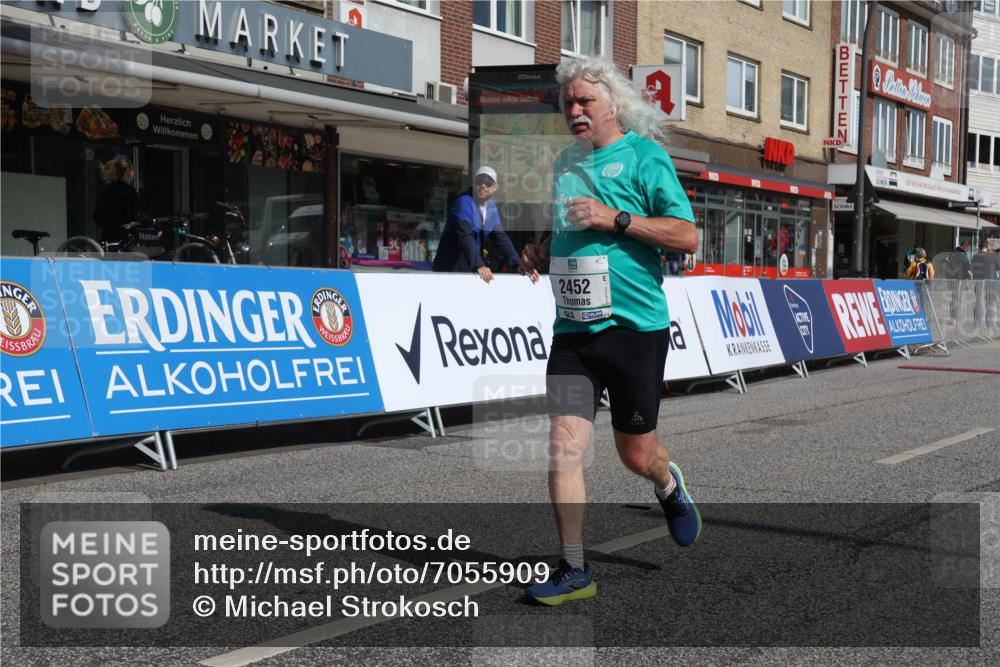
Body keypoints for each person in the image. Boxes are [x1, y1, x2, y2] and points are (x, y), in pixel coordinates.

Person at [517, 55, 701, 606]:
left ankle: (668, 485)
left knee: (634, 454)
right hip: (573, 331)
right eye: (567, 102)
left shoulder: (646, 157)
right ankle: (575, 570)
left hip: (633, 329)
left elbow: (687, 236)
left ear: (612, 104)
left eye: (584, 101)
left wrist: (614, 218)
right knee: (563, 445)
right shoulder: (564, 165)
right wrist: (541, 250)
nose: (573, 110)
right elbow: (565, 229)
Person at [432, 166, 520, 283]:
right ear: (474, 184)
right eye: (479, 181)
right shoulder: (464, 202)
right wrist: (479, 265)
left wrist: (518, 264)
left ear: (494, 188)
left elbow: (501, 238)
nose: (483, 185)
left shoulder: (491, 207)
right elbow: (465, 236)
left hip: (468, 270)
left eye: (488, 182)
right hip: (449, 270)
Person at [93, 155, 139, 245]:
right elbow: (135, 216)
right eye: (132, 170)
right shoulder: (129, 191)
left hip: (107, 239)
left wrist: (109, 226)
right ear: (127, 171)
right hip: (124, 240)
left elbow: (96, 217)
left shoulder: (105, 190)